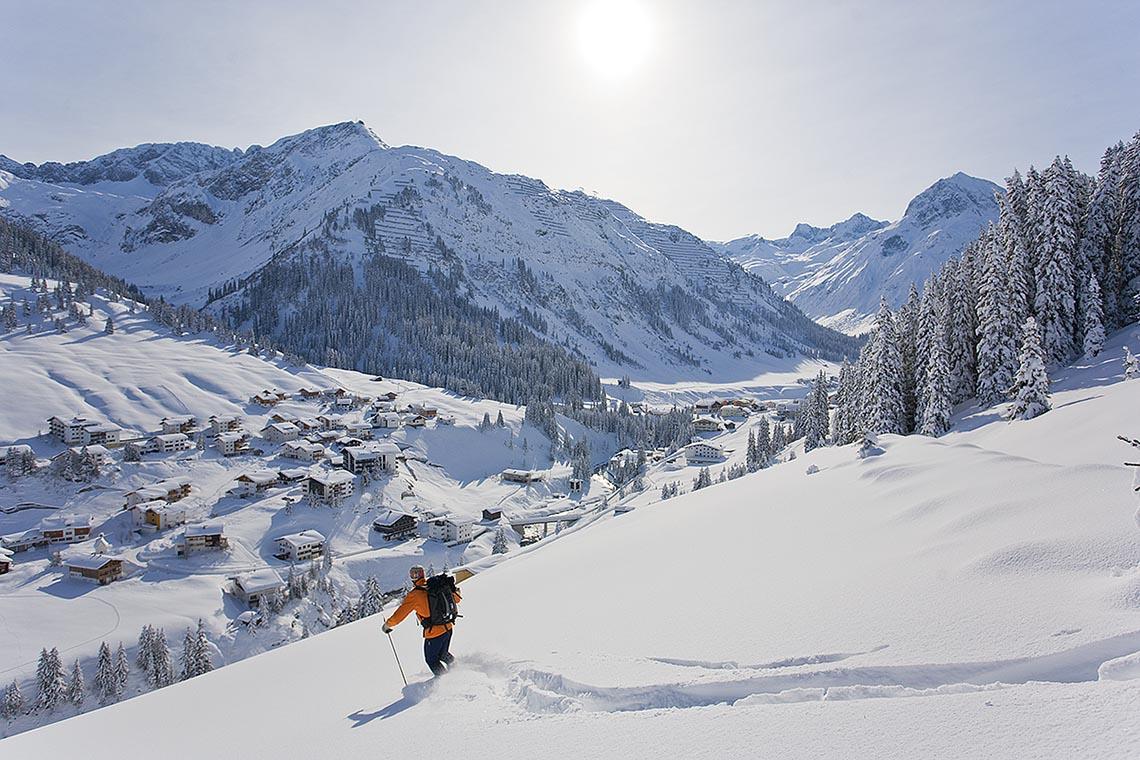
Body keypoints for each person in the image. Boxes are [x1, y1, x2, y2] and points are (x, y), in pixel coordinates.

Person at [382, 565, 462, 676]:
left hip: (434, 632)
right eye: (412, 574)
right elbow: (457, 599)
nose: (413, 576)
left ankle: (445, 680)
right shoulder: (436, 586)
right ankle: (459, 670)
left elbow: (400, 614)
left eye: (415, 574)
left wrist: (388, 624)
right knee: (443, 654)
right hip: (448, 627)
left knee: (431, 660)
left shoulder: (415, 595)